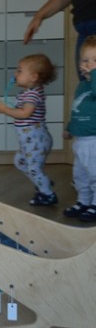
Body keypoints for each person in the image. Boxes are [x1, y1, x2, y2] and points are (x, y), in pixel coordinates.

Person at [0, 54, 58, 206]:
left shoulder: (32, 95)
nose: (15, 73)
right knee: (20, 162)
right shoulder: (28, 92)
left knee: (33, 167)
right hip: (29, 142)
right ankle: (42, 182)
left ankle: (48, 194)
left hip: (36, 141)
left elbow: (25, 114)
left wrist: (5, 110)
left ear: (33, 77)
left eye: (20, 71)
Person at [64, 35, 96, 222]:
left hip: (93, 141)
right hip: (80, 141)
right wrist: (70, 127)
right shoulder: (82, 86)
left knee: (94, 175)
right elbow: (77, 108)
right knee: (80, 175)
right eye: (85, 60)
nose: (89, 64)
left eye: (95, 60)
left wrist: (94, 74)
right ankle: (84, 201)